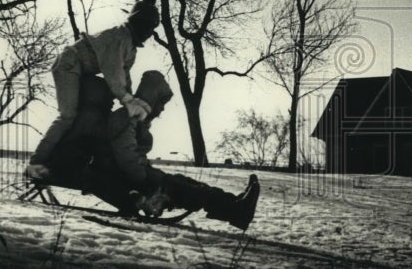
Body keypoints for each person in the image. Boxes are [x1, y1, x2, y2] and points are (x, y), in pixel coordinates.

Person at [43, 70, 260, 231]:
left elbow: (127, 154)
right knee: (179, 188)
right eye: (161, 103)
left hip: (132, 173)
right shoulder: (125, 118)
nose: (163, 109)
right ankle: (236, 210)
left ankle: (234, 203)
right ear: (152, 99)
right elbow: (125, 157)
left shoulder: (132, 119)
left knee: (182, 183)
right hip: (132, 176)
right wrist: (145, 180)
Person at [26, 0, 161, 180]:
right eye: (148, 27)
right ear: (138, 23)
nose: (149, 34)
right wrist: (128, 100)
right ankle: (36, 162)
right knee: (68, 116)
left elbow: (125, 76)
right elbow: (113, 73)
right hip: (68, 65)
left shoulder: (130, 47)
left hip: (82, 70)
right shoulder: (119, 37)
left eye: (153, 29)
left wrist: (134, 101)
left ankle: (59, 159)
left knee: (84, 116)